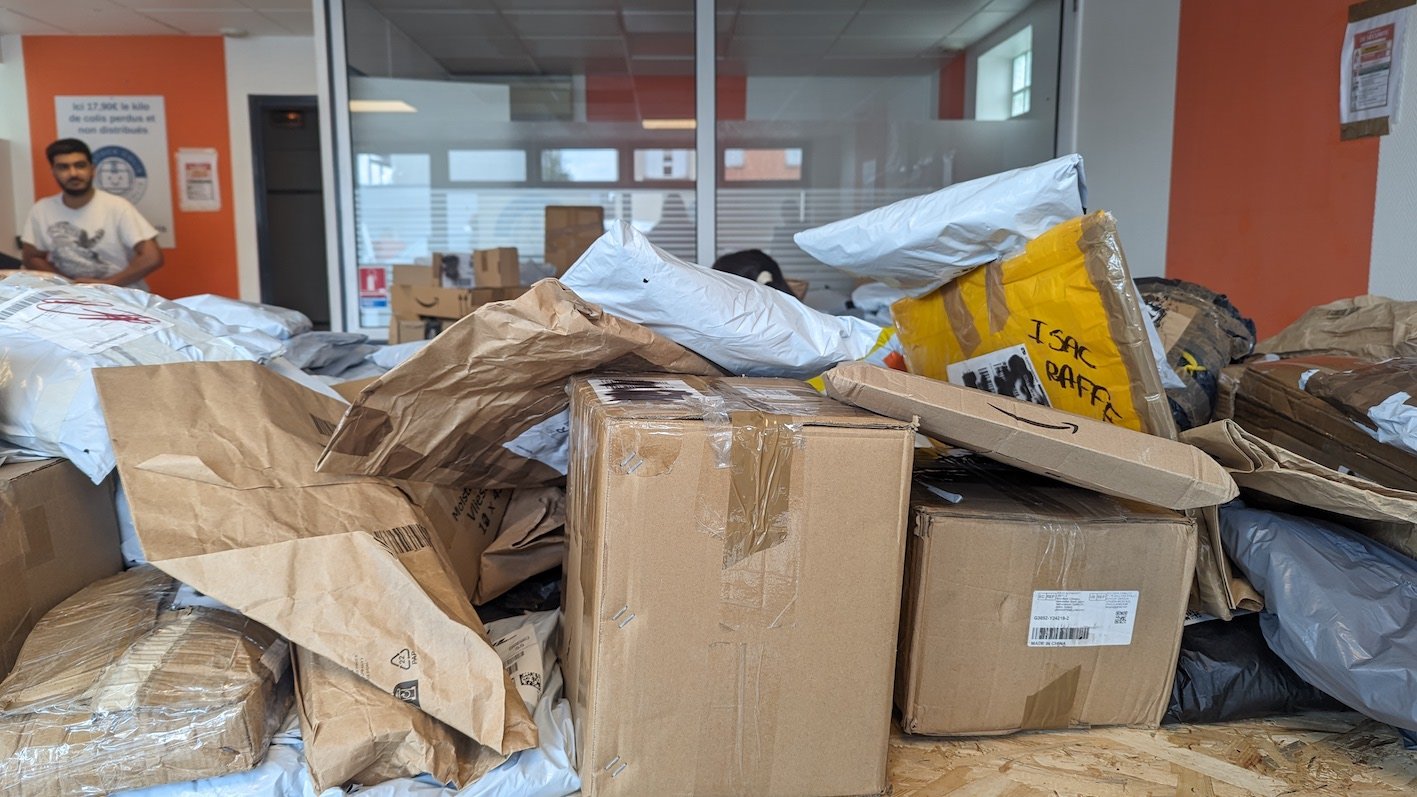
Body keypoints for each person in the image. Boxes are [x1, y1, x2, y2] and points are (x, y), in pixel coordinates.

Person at [20, 138, 163, 289]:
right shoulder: (42, 209)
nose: (73, 173)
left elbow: (152, 257)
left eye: (80, 166)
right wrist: (69, 285)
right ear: (54, 172)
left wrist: (107, 284)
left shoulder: (117, 207)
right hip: (72, 297)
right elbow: (32, 257)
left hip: (120, 294)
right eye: (63, 167)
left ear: (92, 169)